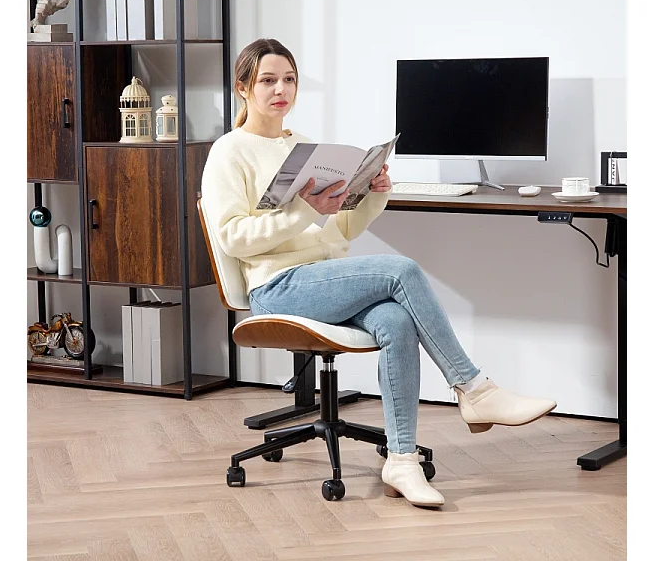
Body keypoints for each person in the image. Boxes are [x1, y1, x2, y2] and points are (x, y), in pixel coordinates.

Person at [201, 38, 557, 509]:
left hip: (319, 278)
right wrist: (304, 212)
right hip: (275, 287)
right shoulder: (230, 151)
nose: (280, 89)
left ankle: (402, 461)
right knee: (400, 270)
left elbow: (339, 232)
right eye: (268, 80)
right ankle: (474, 389)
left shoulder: (306, 147)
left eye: (289, 79)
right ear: (243, 87)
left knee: (395, 319)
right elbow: (233, 238)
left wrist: (371, 194)